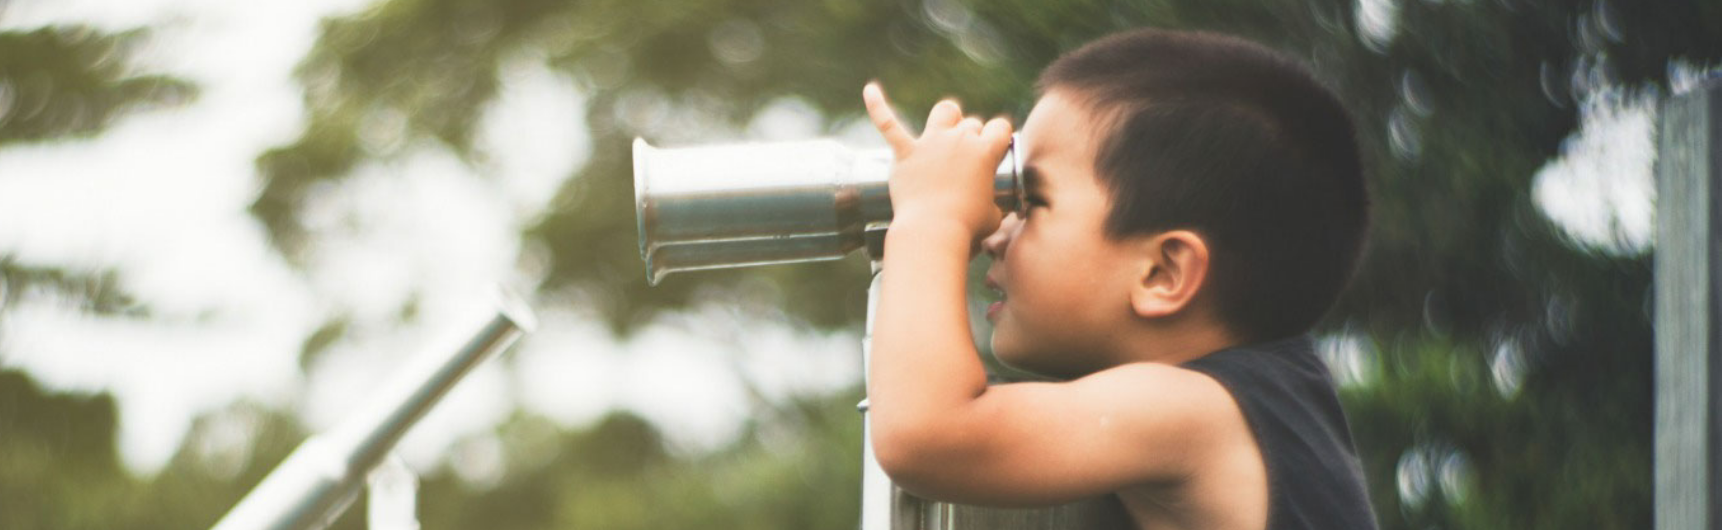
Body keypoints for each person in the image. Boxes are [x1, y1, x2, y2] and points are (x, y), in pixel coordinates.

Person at [861, 28, 1376, 530]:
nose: (996, 231)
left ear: (1162, 272)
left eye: (1032, 203)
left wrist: (932, 218)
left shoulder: (1189, 413)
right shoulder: (1274, 400)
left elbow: (928, 435)